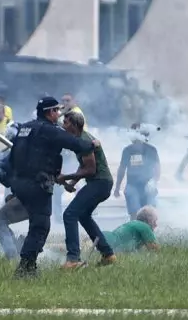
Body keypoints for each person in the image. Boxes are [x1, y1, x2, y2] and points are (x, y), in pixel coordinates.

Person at [9, 97, 97, 278]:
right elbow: (73, 143)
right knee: (40, 226)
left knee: (35, 224)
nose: (58, 115)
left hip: (19, 182)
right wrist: (91, 144)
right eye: (56, 111)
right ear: (50, 112)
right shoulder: (48, 130)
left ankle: (27, 263)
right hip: (37, 184)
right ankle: (26, 268)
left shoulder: (24, 127)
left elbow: (11, 156)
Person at [57, 111, 116, 269]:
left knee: (69, 214)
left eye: (66, 123)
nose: (63, 126)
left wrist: (66, 177)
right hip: (100, 183)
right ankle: (108, 254)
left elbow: (90, 169)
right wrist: (72, 181)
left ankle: (73, 259)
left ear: (75, 125)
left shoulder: (83, 140)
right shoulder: (81, 139)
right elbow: (84, 165)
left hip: (99, 183)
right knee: (83, 216)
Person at [114, 123, 161, 220]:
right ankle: (135, 233)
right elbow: (122, 169)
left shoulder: (151, 150)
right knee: (134, 214)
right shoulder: (128, 150)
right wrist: (117, 187)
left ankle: (148, 233)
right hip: (132, 186)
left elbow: (157, 167)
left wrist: (153, 181)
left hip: (148, 185)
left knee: (150, 214)